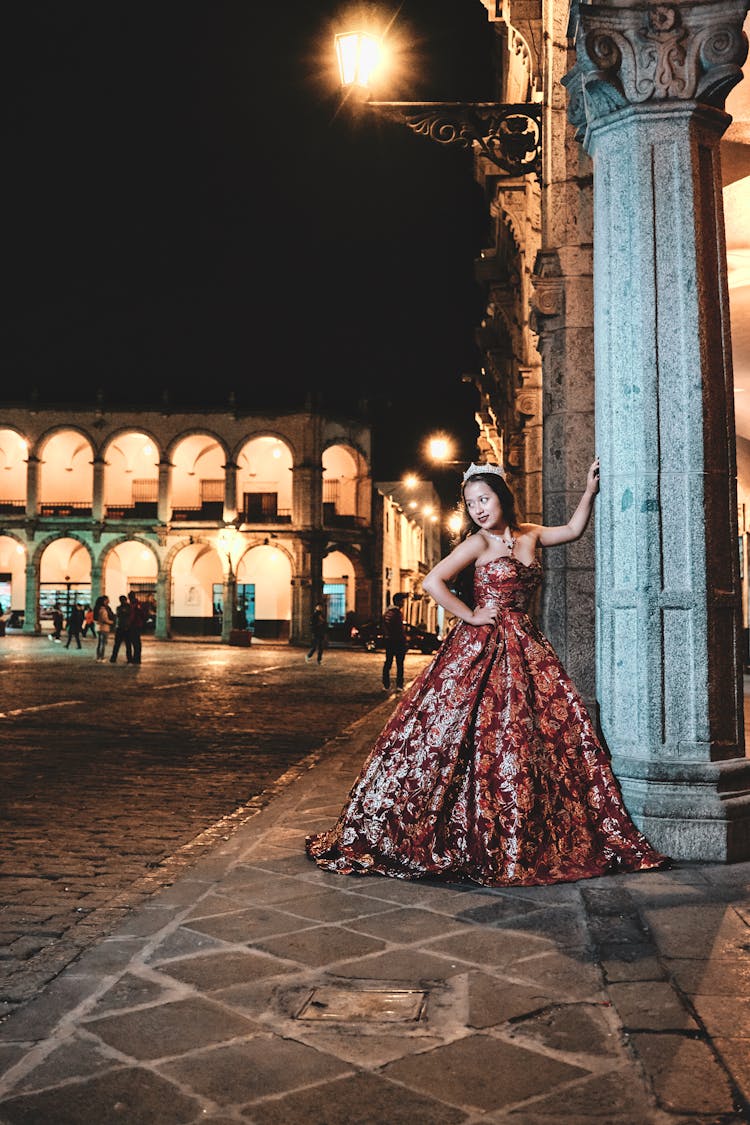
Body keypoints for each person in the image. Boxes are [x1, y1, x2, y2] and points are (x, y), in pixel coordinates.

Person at [307, 458, 668, 888]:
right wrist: (472, 617)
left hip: (527, 644)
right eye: (470, 503)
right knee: (463, 728)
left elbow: (572, 531)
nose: (478, 508)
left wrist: (590, 491)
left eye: (484, 498)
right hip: (483, 645)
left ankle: (524, 823)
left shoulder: (530, 533)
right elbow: (433, 582)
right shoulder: (477, 544)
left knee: (530, 731)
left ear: (501, 496)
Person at [382, 593, 408, 692]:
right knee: (399, 665)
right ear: (397, 601)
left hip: (389, 642)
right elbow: (399, 630)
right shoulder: (396, 613)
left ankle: (386, 684)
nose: (403, 603)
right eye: (402, 601)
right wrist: (404, 642)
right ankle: (399, 685)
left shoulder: (387, 613)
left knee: (388, 663)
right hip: (397, 642)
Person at [110, 595, 133, 664]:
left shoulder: (124, 607)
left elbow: (120, 615)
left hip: (123, 627)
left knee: (121, 644)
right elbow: (119, 615)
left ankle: (114, 658)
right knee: (124, 644)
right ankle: (128, 658)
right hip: (124, 627)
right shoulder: (124, 607)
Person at [126, 591, 146, 664]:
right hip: (137, 625)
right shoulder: (137, 604)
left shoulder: (134, 605)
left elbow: (132, 616)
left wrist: (129, 623)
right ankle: (136, 658)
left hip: (134, 625)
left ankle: (136, 659)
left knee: (135, 643)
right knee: (136, 643)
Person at [93, 595, 115, 661]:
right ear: (104, 601)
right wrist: (111, 622)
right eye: (107, 600)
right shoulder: (103, 610)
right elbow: (105, 619)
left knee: (100, 643)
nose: (109, 601)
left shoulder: (97, 608)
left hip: (99, 627)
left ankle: (98, 656)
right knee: (103, 643)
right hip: (104, 628)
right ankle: (101, 657)